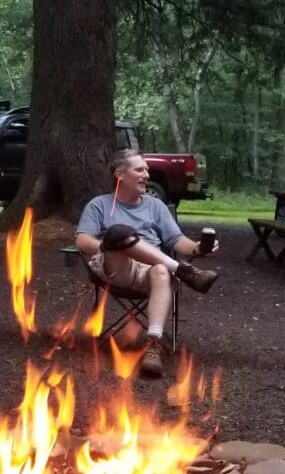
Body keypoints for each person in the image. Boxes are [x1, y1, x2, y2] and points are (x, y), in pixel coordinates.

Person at [75, 148, 219, 378]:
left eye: (147, 170)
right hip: (117, 266)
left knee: (161, 271)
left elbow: (175, 239)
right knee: (119, 232)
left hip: (150, 271)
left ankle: (153, 345)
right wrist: (115, 245)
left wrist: (198, 248)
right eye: (139, 169)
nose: (146, 175)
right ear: (120, 175)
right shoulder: (99, 205)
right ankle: (183, 271)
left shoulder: (155, 206)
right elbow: (82, 240)